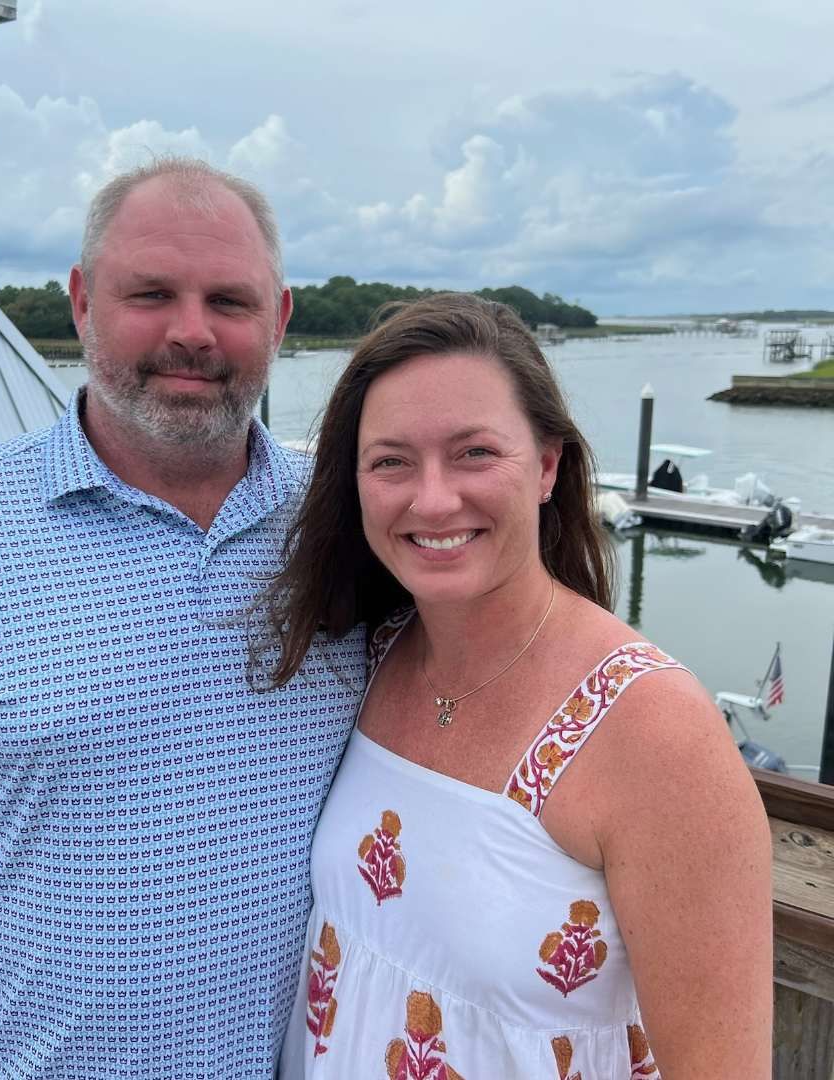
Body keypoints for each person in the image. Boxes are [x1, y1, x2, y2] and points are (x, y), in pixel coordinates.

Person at [0, 157, 370, 1077]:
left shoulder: (346, 530)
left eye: (230, 300)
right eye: (151, 293)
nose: (193, 332)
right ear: (80, 302)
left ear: (280, 318)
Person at [268, 293, 770, 1077]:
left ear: (546, 466)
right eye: (391, 460)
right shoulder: (373, 656)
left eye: (474, 453)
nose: (433, 499)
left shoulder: (652, 730)